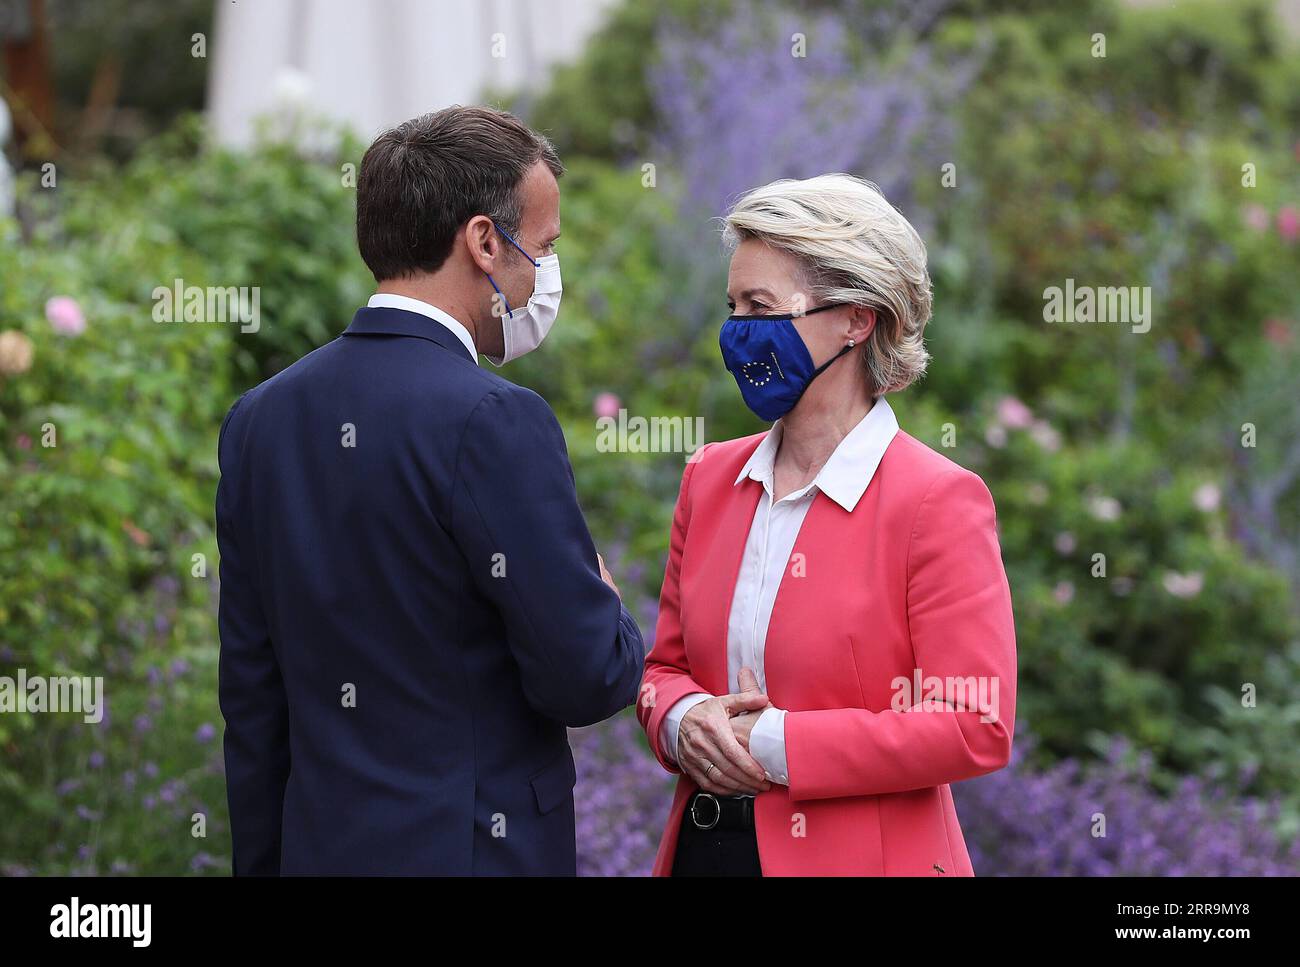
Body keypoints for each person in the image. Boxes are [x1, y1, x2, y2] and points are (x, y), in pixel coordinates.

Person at [217, 106, 644, 876]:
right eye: (542, 249)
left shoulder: (260, 419)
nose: (545, 275)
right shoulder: (495, 420)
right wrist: (604, 595)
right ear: (485, 241)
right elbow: (587, 675)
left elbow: (254, 701)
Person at [637, 174, 1017, 876]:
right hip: (705, 851)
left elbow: (974, 722)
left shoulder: (938, 501)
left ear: (857, 318)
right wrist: (682, 719)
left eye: (761, 306)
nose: (737, 331)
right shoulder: (710, 479)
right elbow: (664, 667)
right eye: (732, 306)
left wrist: (778, 742)